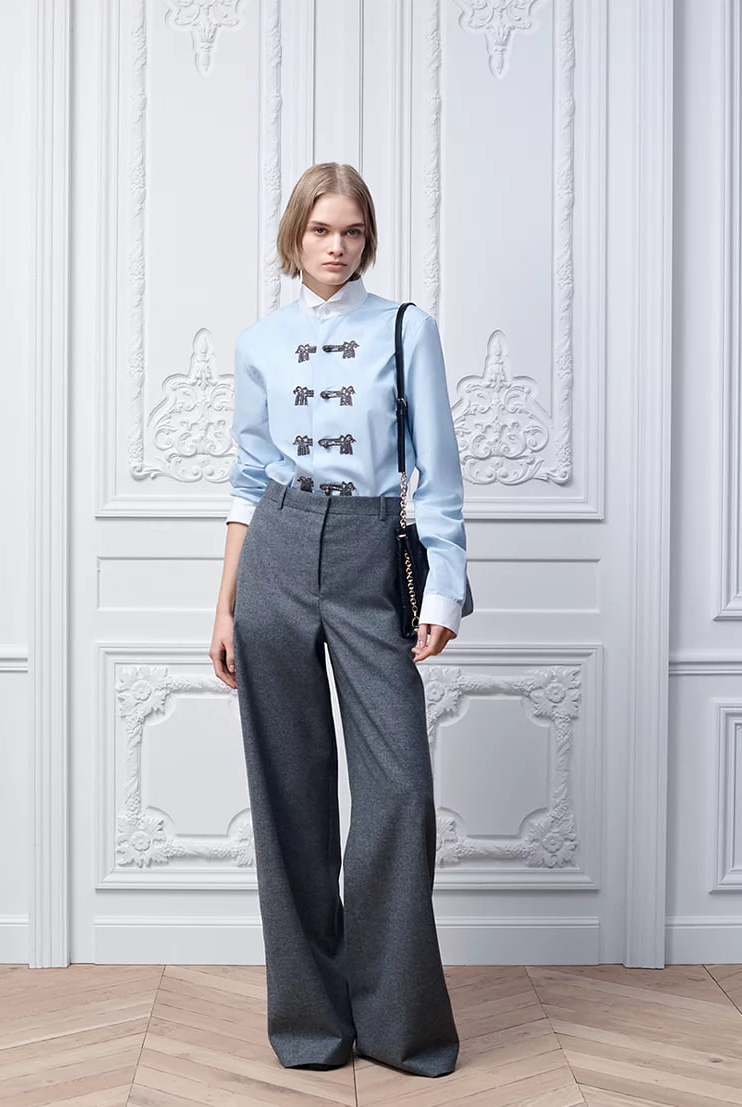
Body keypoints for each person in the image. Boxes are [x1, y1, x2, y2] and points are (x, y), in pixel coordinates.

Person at [209, 162, 468, 1078]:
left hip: (368, 551)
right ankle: (311, 1024)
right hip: (277, 552)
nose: (337, 246)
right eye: (321, 229)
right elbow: (248, 477)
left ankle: (397, 1024)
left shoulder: (407, 328)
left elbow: (438, 471)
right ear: (296, 235)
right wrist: (226, 602)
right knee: (289, 793)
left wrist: (445, 589)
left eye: (352, 231)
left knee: (399, 790)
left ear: (368, 238)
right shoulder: (260, 342)